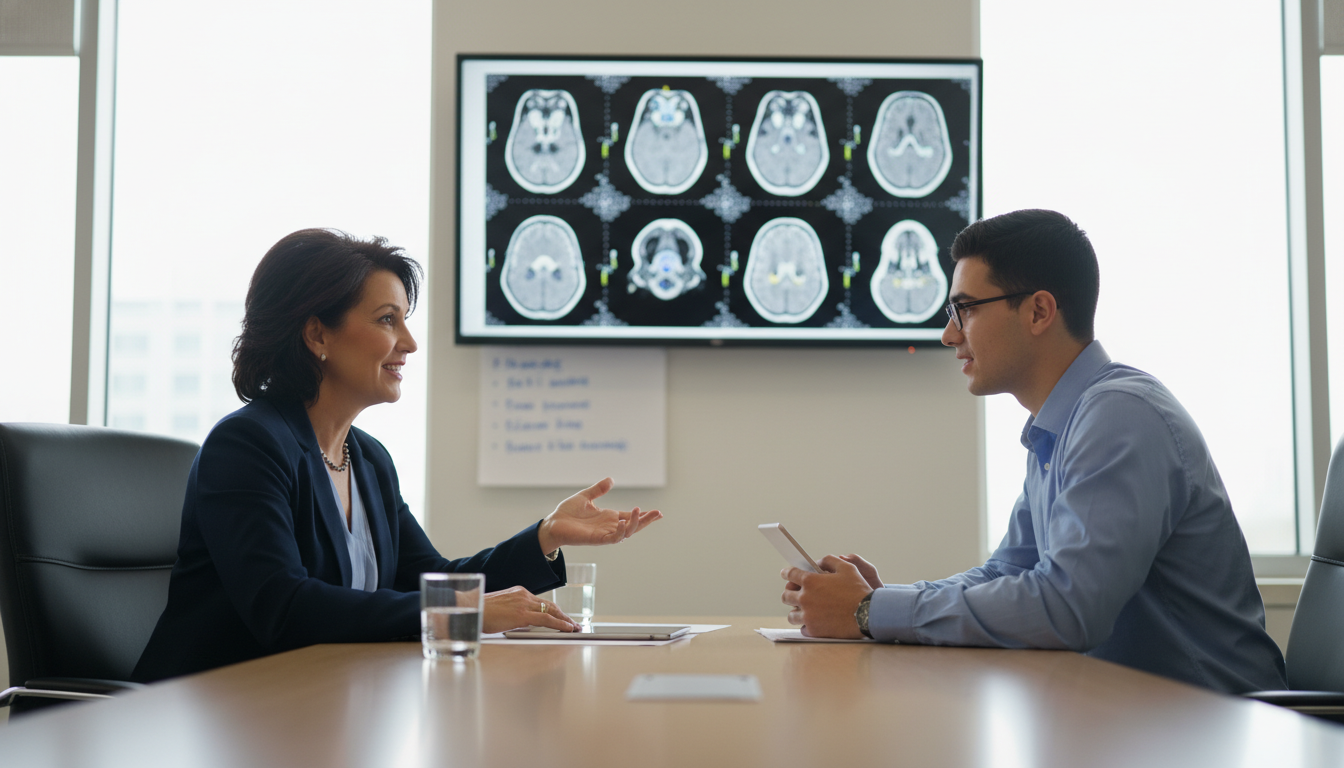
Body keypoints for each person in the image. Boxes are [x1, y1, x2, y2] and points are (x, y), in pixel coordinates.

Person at [780, 209, 1287, 694]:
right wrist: (881, 601)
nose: (948, 334)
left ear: (1039, 310)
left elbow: (1068, 608)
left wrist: (870, 613)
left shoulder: (1120, 417)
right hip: (1128, 718)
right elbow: (1009, 573)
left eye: (965, 309)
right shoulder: (1060, 426)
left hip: (1215, 729)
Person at [133, 229, 661, 682]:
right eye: (388, 320)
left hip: (323, 702)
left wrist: (546, 535)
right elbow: (283, 607)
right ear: (317, 333)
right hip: (212, 715)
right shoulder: (247, 445)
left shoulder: (367, 459)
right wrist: (466, 608)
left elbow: (432, 578)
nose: (409, 342)